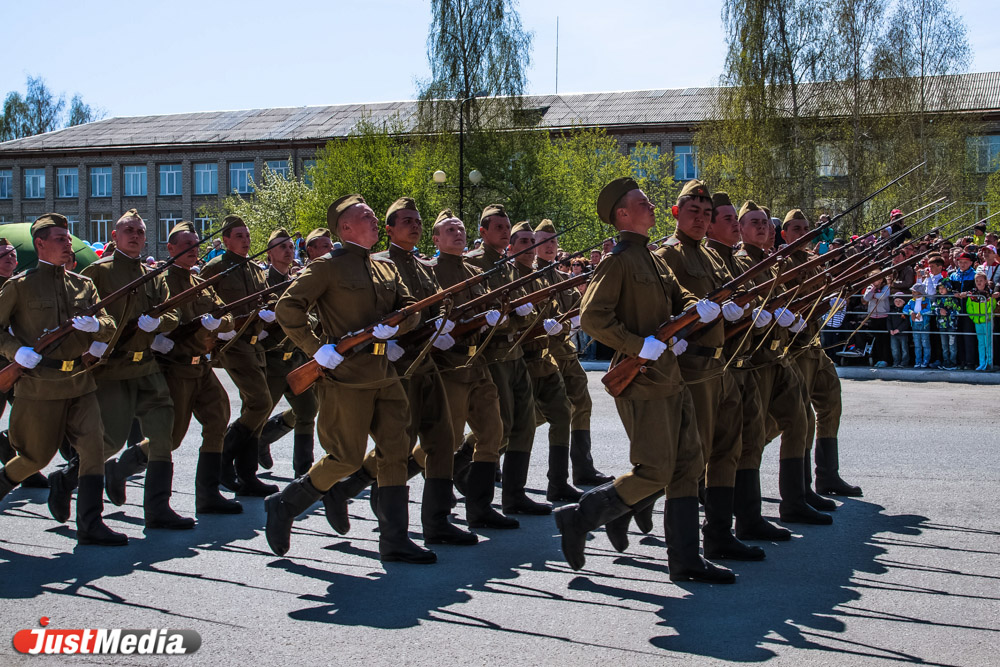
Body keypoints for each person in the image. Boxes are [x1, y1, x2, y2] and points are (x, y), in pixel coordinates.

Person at [556, 176, 735, 584]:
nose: (652, 206)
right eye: (643, 202)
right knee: (655, 470)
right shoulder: (617, 261)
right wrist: (638, 345)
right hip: (641, 378)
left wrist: (699, 308)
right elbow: (592, 318)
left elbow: (678, 299)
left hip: (669, 374)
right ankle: (580, 517)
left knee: (688, 466)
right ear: (622, 214)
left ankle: (687, 560)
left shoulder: (652, 258)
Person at [267, 194, 435, 564]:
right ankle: (285, 503)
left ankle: (394, 540)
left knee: (395, 452)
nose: (376, 221)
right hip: (345, 375)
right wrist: (316, 349)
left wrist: (397, 327)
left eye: (375, 216)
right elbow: (287, 307)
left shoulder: (384, 267)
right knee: (344, 457)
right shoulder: (327, 267)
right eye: (368, 217)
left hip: (384, 374)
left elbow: (409, 311)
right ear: (345, 227)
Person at [327, 197, 478, 545]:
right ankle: (381, 514)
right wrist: (386, 342)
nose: (415, 225)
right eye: (406, 220)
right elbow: (365, 316)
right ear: (390, 229)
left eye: (418, 220)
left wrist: (447, 326)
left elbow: (435, 307)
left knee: (444, 439)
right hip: (396, 365)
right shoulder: (379, 264)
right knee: (398, 444)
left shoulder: (423, 268)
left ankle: (436, 522)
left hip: (425, 363)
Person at [0, 213, 124, 545]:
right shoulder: (19, 287)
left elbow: (109, 322)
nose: (67, 243)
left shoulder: (83, 285)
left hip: (80, 382)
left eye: (68, 238)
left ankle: (91, 524)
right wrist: (16, 352)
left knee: (93, 448)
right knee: (35, 457)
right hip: (40, 384)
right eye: (60, 238)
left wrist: (98, 329)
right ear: (40, 243)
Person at [656, 183, 763, 562]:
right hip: (693, 363)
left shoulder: (713, 257)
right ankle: (678, 547)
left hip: (721, 363)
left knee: (727, 450)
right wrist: (677, 335)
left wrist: (742, 309)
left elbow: (722, 299)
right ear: (675, 213)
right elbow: (661, 308)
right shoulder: (669, 255)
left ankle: (718, 534)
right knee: (692, 457)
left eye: (706, 213)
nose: (700, 219)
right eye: (694, 212)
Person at [428, 210, 519, 530]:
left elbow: (487, 311)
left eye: (461, 229)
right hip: (448, 366)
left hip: (476, 362)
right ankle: (377, 479)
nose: (458, 233)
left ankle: (479, 508)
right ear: (436, 239)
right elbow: (424, 313)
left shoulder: (472, 271)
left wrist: (498, 317)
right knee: (446, 440)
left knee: (493, 431)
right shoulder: (431, 272)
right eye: (449, 230)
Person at [465, 204, 550, 515]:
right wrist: (511, 317)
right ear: (483, 232)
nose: (504, 231)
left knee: (524, 423)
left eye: (506, 226)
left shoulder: (508, 266)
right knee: (499, 426)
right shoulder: (475, 264)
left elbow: (514, 311)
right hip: (491, 354)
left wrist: (522, 318)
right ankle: (475, 490)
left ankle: (514, 495)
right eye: (498, 226)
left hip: (515, 352)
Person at [156, 221, 242, 514]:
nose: (193, 250)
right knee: (173, 437)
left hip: (202, 366)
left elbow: (227, 316)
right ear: (170, 249)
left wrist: (218, 323)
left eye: (195, 244)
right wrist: (159, 336)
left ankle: (207, 495)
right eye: (186, 245)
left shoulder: (198, 283)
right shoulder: (162, 282)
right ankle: (126, 466)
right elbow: (153, 319)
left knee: (218, 419)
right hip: (175, 367)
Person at [200, 216, 278, 497]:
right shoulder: (216, 268)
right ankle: (223, 457)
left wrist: (269, 312)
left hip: (256, 343)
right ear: (227, 240)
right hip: (232, 343)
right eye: (239, 235)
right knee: (261, 402)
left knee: (254, 407)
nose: (246, 240)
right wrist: (216, 329)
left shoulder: (256, 270)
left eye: (247, 235)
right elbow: (203, 301)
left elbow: (264, 301)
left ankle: (247, 475)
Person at [532, 219, 611, 487]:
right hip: (542, 355)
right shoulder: (529, 276)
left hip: (566, 351)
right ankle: (479, 450)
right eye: (543, 241)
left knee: (582, 404)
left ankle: (582, 467)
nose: (549, 246)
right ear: (533, 244)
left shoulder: (562, 278)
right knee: (535, 415)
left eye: (553, 242)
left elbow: (578, 309)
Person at [255, 228, 319, 478]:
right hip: (270, 360)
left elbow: (312, 313)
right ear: (270, 253)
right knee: (256, 415)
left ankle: (303, 472)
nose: (289, 250)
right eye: (282, 246)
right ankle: (233, 460)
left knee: (307, 411)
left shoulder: (297, 283)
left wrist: (304, 321)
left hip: (294, 359)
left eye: (291, 246)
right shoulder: (262, 282)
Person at [948, 252, 979, 369]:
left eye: (965, 262)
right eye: (960, 262)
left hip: (969, 309)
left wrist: (967, 293)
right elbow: (948, 288)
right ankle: (961, 361)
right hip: (956, 309)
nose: (962, 264)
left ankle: (970, 361)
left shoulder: (975, 275)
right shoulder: (953, 275)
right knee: (958, 335)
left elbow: (977, 288)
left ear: (971, 263)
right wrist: (954, 293)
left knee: (969, 335)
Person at [966, 270, 996, 371]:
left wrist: (987, 317)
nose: (979, 282)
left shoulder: (989, 294)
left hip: (987, 321)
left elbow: (992, 306)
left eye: (981, 280)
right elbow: (969, 307)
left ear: (985, 281)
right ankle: (981, 363)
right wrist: (974, 317)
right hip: (977, 321)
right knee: (981, 343)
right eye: (977, 280)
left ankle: (989, 363)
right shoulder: (972, 294)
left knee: (988, 343)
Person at [862, 275, 891, 367]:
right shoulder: (870, 287)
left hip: (883, 316)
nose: (875, 281)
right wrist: (873, 289)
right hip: (873, 316)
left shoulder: (886, 287)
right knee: (876, 339)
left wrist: (874, 295)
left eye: (877, 279)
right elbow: (866, 297)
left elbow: (883, 296)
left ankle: (885, 359)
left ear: (881, 279)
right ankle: (878, 359)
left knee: (884, 339)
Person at [903, 284, 932, 368]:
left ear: (920, 292)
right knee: (917, 344)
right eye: (912, 291)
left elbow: (930, 309)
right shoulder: (911, 301)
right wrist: (911, 312)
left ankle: (925, 361)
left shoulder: (926, 300)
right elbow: (905, 309)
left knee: (925, 343)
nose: (912, 293)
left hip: (924, 324)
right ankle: (918, 361)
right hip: (915, 324)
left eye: (914, 292)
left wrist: (921, 313)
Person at [933, 282, 961, 370]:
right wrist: (939, 311)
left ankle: (953, 362)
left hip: (951, 325)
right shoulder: (938, 299)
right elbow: (932, 308)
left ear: (947, 288)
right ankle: (946, 361)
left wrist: (948, 312)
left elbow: (958, 310)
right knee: (944, 345)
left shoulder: (953, 298)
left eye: (943, 288)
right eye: (939, 288)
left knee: (952, 345)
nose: (941, 290)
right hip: (942, 325)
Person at [887, 292, 911, 368]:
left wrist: (899, 329)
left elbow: (906, 322)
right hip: (893, 333)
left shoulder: (905, 311)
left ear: (903, 302)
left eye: (900, 301)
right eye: (896, 301)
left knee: (904, 349)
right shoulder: (891, 310)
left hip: (902, 333)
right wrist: (890, 329)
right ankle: (896, 362)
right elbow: (888, 320)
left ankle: (904, 362)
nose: (897, 303)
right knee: (894, 349)